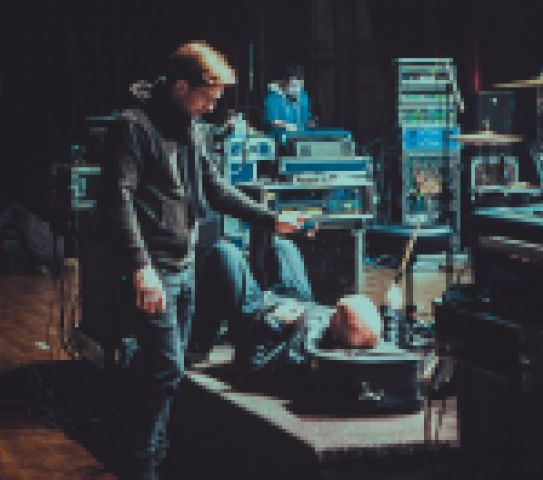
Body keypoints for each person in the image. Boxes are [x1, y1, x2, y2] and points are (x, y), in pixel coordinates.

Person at [105, 41, 303, 480]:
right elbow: (118, 200)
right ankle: (140, 465)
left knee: (163, 372)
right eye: (206, 97)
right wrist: (140, 266)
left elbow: (214, 188)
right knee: (165, 368)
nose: (211, 107)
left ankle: (147, 455)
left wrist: (272, 220)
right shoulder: (133, 127)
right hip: (154, 269)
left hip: (183, 265)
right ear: (180, 86)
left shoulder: (190, 128)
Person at [196, 237, 382, 384]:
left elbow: (250, 368)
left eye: (336, 312)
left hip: (258, 316)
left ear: (336, 326)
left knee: (224, 253)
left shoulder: (302, 353)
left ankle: (196, 346)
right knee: (283, 246)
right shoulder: (358, 332)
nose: (333, 310)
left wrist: (274, 322)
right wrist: (389, 308)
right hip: (299, 303)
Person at [263, 64, 313, 142]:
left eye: (300, 86)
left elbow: (307, 118)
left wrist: (310, 123)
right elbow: (273, 121)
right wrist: (289, 127)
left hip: (302, 139)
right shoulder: (273, 98)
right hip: (279, 141)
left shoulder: (303, 96)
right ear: (285, 83)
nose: (297, 89)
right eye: (293, 85)